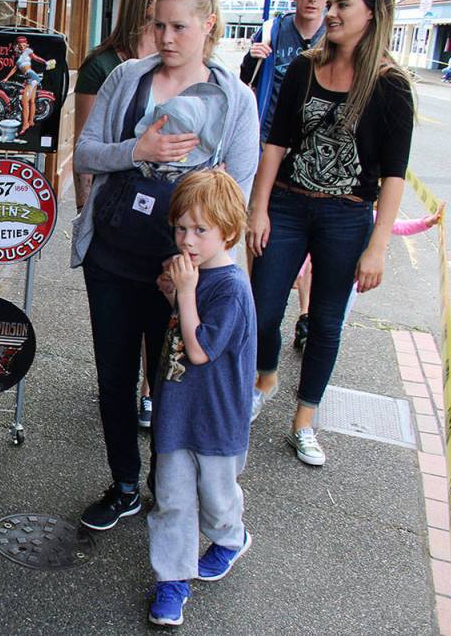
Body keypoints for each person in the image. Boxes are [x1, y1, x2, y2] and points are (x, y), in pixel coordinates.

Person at [72, 0, 259, 531]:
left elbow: (236, 201)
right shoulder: (127, 78)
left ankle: (167, 490)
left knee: (172, 381)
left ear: (209, 26)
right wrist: (138, 148)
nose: (166, 38)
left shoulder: (235, 99)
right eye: (158, 25)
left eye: (179, 26)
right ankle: (124, 484)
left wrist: (196, 268)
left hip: (180, 270)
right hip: (112, 255)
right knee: (113, 375)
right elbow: (83, 153)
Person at [246, 0, 415, 465]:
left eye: (342, 4)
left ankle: (304, 421)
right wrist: (259, 208)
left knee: (325, 322)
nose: (330, 11)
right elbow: (275, 142)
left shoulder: (391, 86)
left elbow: (395, 175)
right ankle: (266, 378)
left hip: (347, 216)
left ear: (372, 13)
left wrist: (378, 247)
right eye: (330, 2)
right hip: (288, 203)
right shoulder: (303, 66)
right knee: (262, 306)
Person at [145, 169, 256, 626]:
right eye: (181, 227)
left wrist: (185, 295)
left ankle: (231, 538)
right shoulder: (192, 275)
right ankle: (172, 581)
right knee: (171, 498)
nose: (187, 239)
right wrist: (176, 295)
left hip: (216, 417)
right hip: (177, 408)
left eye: (200, 230)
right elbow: (185, 326)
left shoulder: (230, 287)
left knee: (215, 498)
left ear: (228, 232)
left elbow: (199, 349)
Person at [74, 0, 177, 428]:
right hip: (114, 217)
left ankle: (150, 391)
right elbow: (86, 148)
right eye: (161, 5)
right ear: (144, 4)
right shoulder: (107, 67)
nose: (168, 29)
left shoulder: (196, 76)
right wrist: (86, 211)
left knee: (159, 329)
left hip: (167, 229)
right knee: (121, 333)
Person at [289, 203, 444, 353]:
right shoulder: (332, 217)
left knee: (335, 326)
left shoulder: (370, 216)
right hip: (323, 277)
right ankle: (309, 336)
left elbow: (399, 226)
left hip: (350, 284)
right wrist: (299, 272)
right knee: (319, 318)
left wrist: (426, 222)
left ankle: (317, 352)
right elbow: (310, 249)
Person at [239, 0, 333, 144]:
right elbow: (246, 81)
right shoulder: (272, 31)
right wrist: (252, 58)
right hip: (268, 136)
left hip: (312, 142)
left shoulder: (334, 35)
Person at [2, 36, 56, 134]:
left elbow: (36, 58)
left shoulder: (28, 51)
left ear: (26, 45)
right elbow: (15, 68)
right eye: (20, 45)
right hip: (29, 78)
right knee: (31, 101)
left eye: (23, 44)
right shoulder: (20, 56)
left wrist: (45, 62)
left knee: (24, 101)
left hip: (32, 76)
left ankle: (25, 124)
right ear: (17, 46)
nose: (22, 46)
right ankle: (31, 121)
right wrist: (6, 78)